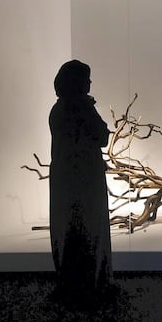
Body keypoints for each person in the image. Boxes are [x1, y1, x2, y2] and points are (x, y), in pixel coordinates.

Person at [49, 59, 114, 304]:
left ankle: (71, 283)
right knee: (89, 227)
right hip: (85, 177)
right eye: (86, 78)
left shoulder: (58, 108)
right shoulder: (82, 107)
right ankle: (91, 285)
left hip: (64, 176)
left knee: (68, 228)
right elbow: (101, 136)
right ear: (77, 81)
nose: (90, 83)